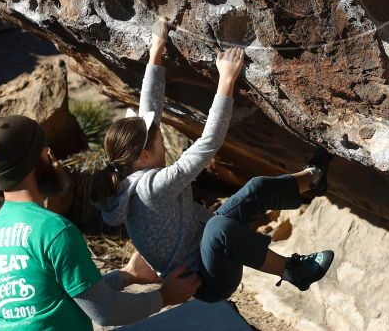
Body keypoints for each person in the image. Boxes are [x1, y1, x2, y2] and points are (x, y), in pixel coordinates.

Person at [91, 16, 335, 303]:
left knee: (255, 189)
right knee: (220, 231)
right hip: (206, 281)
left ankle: (314, 177)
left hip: (206, 241)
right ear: (144, 155)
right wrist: (227, 79)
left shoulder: (129, 172)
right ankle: (294, 270)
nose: (163, 145)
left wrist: (157, 47)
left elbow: (149, 111)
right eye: (159, 144)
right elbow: (208, 144)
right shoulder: (152, 188)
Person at [0, 115, 200, 330]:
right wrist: (165, 296)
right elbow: (105, 311)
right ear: (38, 161)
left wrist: (127, 275)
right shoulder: (54, 231)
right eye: (45, 148)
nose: (53, 157)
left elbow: (65, 297)